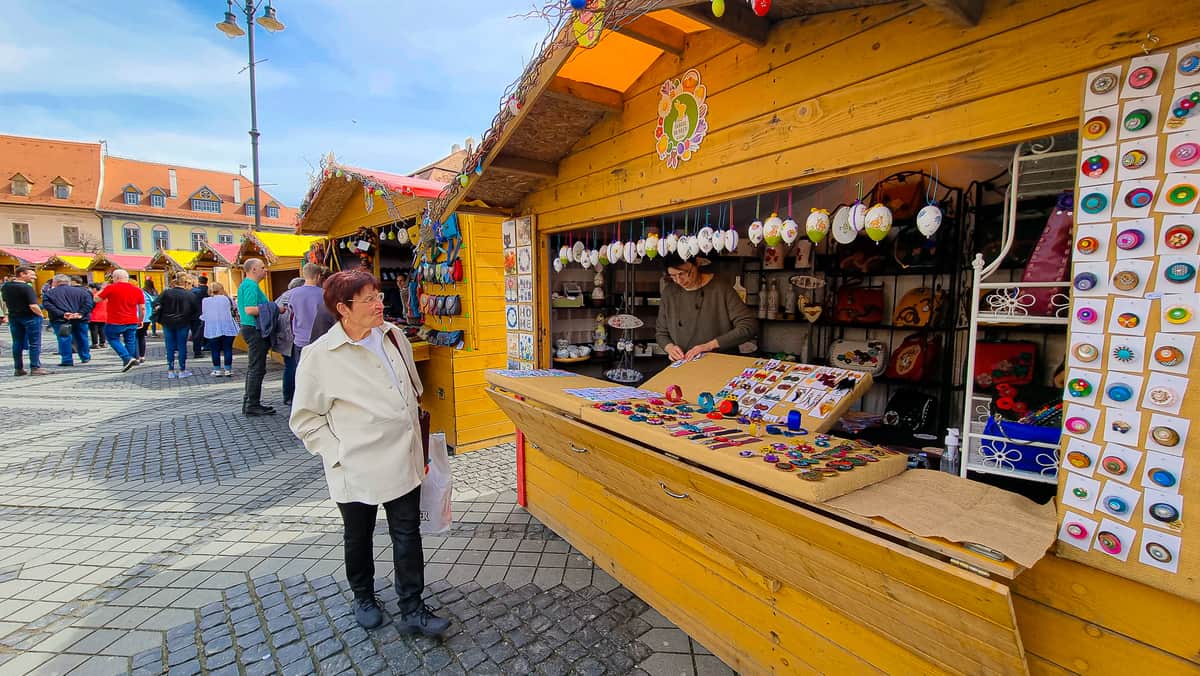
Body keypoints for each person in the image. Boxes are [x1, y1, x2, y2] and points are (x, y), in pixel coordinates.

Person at [289, 270, 448, 635]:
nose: (381, 304)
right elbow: (305, 419)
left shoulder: (393, 337)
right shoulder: (320, 356)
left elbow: (412, 387)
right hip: (355, 465)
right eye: (370, 299)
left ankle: (412, 606)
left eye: (379, 295)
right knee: (357, 535)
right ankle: (363, 595)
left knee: (407, 533)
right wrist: (338, 453)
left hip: (404, 458)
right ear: (343, 308)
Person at [656, 255, 757, 362]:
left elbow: (748, 326)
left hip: (720, 363)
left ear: (696, 264)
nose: (679, 280)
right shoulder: (669, 292)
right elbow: (661, 333)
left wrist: (709, 346)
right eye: (673, 276)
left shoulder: (720, 288)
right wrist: (670, 348)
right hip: (684, 365)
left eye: (683, 274)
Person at [238, 259, 274, 415]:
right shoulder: (251, 285)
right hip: (254, 329)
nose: (265, 270)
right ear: (253, 269)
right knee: (256, 368)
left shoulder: (247, 284)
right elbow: (250, 309)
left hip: (251, 328)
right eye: (262, 268)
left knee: (255, 368)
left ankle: (251, 402)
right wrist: (274, 308)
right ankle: (252, 404)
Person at [286, 264, 327, 399]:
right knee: (321, 373)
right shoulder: (323, 294)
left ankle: (302, 399)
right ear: (318, 276)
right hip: (320, 339)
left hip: (300, 339)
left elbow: (290, 314)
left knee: (301, 372)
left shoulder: (293, 294)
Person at [97, 269, 146, 372]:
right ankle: (131, 359)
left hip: (115, 320)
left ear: (116, 278)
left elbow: (96, 299)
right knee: (130, 340)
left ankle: (126, 358)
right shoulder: (137, 290)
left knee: (112, 339)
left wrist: (103, 288)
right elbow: (142, 308)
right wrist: (140, 319)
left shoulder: (111, 288)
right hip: (132, 319)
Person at [2, 266, 47, 375]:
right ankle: (35, 367)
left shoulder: (6, 286)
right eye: (31, 274)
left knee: (17, 343)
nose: (34, 277)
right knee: (34, 343)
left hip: (14, 317)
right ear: (22, 274)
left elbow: (4, 301)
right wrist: (41, 315)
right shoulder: (26, 287)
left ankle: (18, 368)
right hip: (30, 317)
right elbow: (33, 305)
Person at [42, 274, 93, 367]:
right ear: (68, 282)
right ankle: (85, 356)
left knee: (64, 339)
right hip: (80, 319)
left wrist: (63, 313)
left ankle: (67, 359)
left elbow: (48, 306)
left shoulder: (50, 293)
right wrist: (80, 313)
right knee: (82, 337)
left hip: (60, 320)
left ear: (55, 282)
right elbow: (89, 304)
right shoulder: (83, 292)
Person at [156, 274, 201, 378]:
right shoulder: (190, 295)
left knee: (169, 346)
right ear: (186, 283)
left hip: (167, 322)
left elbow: (156, 303)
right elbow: (197, 311)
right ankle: (182, 369)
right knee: (182, 346)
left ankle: (170, 370)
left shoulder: (166, 293)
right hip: (183, 323)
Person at [275, 277, 304, 406]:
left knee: (289, 366)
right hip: (293, 337)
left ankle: (288, 396)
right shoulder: (297, 297)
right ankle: (292, 396)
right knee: (294, 367)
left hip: (283, 338)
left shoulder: (281, 298)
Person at [201, 281, 239, 377]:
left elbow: (204, 315)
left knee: (215, 349)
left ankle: (217, 370)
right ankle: (228, 369)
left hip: (212, 328)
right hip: (228, 326)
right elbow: (235, 309)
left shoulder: (205, 301)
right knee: (227, 348)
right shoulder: (228, 299)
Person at [135, 281, 154, 364]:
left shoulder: (135, 294)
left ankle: (136, 356)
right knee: (141, 336)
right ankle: (142, 356)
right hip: (147, 318)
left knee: (135, 337)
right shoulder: (146, 293)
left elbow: (141, 308)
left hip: (137, 318)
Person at [192, 275, 209, 358]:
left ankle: (197, 351)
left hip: (197, 315)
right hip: (209, 314)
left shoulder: (195, 291)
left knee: (197, 333)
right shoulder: (210, 291)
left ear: (199, 282)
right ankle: (207, 346)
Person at [88, 283, 108, 347]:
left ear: (94, 289)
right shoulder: (104, 296)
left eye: (90, 288)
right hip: (104, 315)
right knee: (102, 330)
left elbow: (90, 306)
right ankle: (103, 342)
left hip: (94, 315)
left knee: (94, 330)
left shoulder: (93, 296)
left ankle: (95, 343)